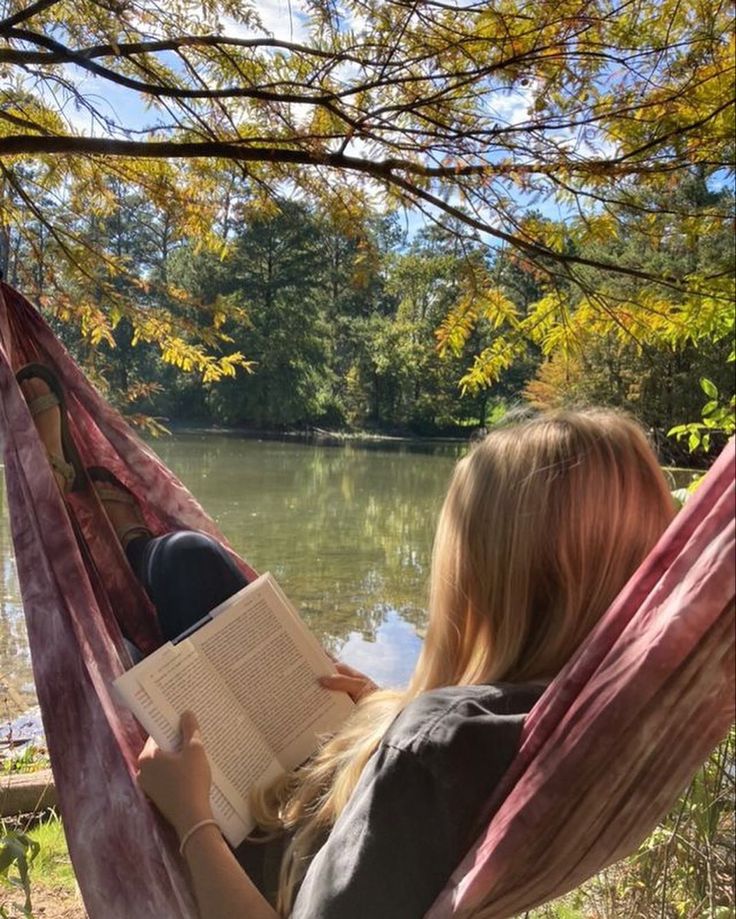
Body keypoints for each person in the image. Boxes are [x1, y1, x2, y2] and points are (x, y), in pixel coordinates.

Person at [18, 368, 675, 918]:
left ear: (489, 581)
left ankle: (94, 535)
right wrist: (382, 704)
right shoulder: (580, 711)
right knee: (188, 561)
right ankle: (126, 543)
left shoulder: (428, 750)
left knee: (143, 665)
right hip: (321, 796)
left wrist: (192, 817)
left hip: (251, 851)